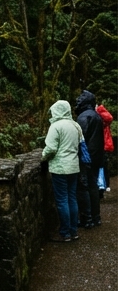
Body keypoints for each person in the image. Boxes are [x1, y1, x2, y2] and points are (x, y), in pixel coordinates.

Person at [44, 99, 83, 242]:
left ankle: (65, 233)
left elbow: (51, 148)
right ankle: (74, 231)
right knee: (72, 198)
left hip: (60, 168)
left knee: (62, 200)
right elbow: (80, 144)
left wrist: (44, 156)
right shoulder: (75, 125)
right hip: (74, 167)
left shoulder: (55, 126)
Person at [76, 90, 105, 227]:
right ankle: (96, 217)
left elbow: (79, 139)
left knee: (83, 187)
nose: (77, 101)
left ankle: (86, 218)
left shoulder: (84, 117)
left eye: (80, 99)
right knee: (93, 186)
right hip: (96, 156)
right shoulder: (96, 116)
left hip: (86, 157)